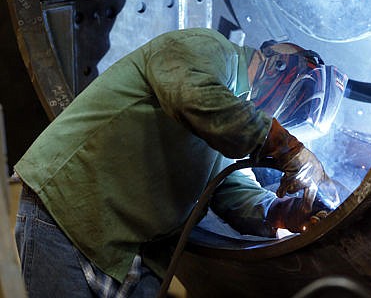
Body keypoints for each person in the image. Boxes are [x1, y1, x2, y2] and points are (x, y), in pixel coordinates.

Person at [14, 27, 342, 297]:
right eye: (284, 114)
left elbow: (230, 187)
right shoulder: (207, 49)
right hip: (69, 217)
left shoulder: (233, 119)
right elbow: (195, 99)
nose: (275, 119)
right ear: (279, 66)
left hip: (126, 253)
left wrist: (282, 212)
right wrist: (288, 150)